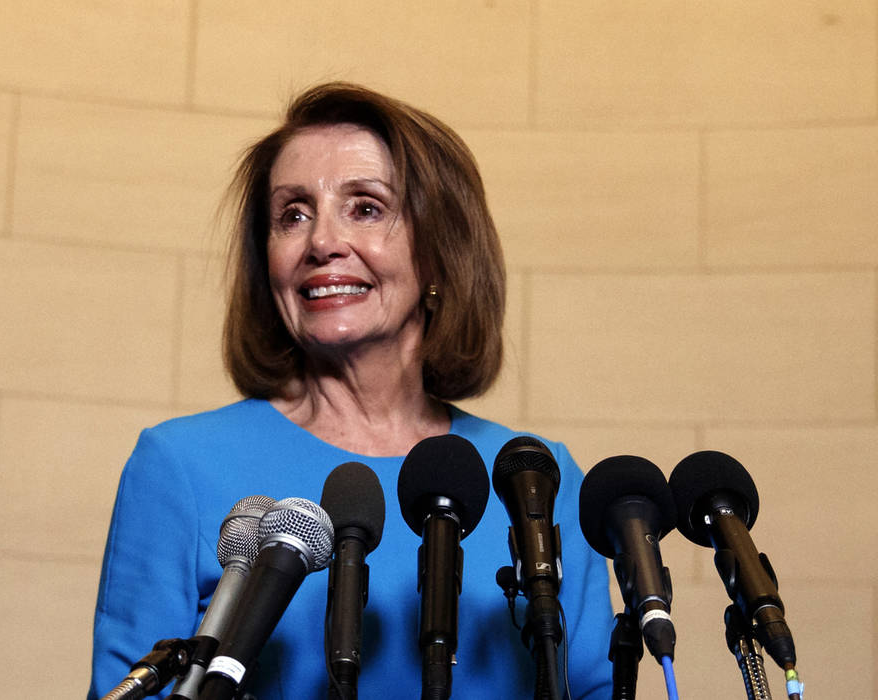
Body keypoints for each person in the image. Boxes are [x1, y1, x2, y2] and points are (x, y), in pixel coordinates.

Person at [88, 82, 614, 699]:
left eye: (365, 207)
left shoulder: (535, 479)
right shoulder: (179, 466)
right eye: (293, 215)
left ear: (442, 252)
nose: (320, 243)